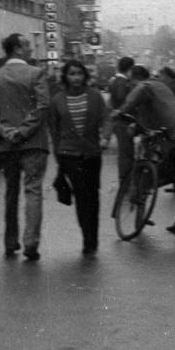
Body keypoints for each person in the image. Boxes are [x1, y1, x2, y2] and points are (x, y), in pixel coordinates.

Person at [0, 33, 50, 261]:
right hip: (34, 143)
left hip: (6, 145)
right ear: (18, 48)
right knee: (33, 190)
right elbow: (43, 106)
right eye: (27, 45)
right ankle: (31, 242)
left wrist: (3, 131)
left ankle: (10, 242)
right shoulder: (36, 74)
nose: (30, 49)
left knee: (11, 191)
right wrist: (24, 130)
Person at [118, 71, 175, 237]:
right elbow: (151, 124)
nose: (131, 86)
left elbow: (142, 88)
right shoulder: (159, 90)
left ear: (137, 79)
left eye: (132, 83)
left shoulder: (149, 85)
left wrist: (121, 111)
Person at [48, 60, 109, 257]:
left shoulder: (95, 95)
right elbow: (54, 129)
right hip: (69, 154)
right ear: (65, 77)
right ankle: (87, 240)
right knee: (82, 195)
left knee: (93, 196)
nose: (76, 77)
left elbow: (105, 117)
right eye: (72, 74)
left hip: (92, 153)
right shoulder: (58, 100)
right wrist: (58, 154)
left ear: (85, 76)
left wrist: (105, 137)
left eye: (79, 73)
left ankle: (93, 238)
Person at [107, 55, 136, 186]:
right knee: (125, 154)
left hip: (120, 121)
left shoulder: (116, 80)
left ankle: (126, 180)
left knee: (126, 153)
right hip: (122, 121)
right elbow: (121, 98)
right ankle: (124, 182)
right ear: (129, 69)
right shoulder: (121, 82)